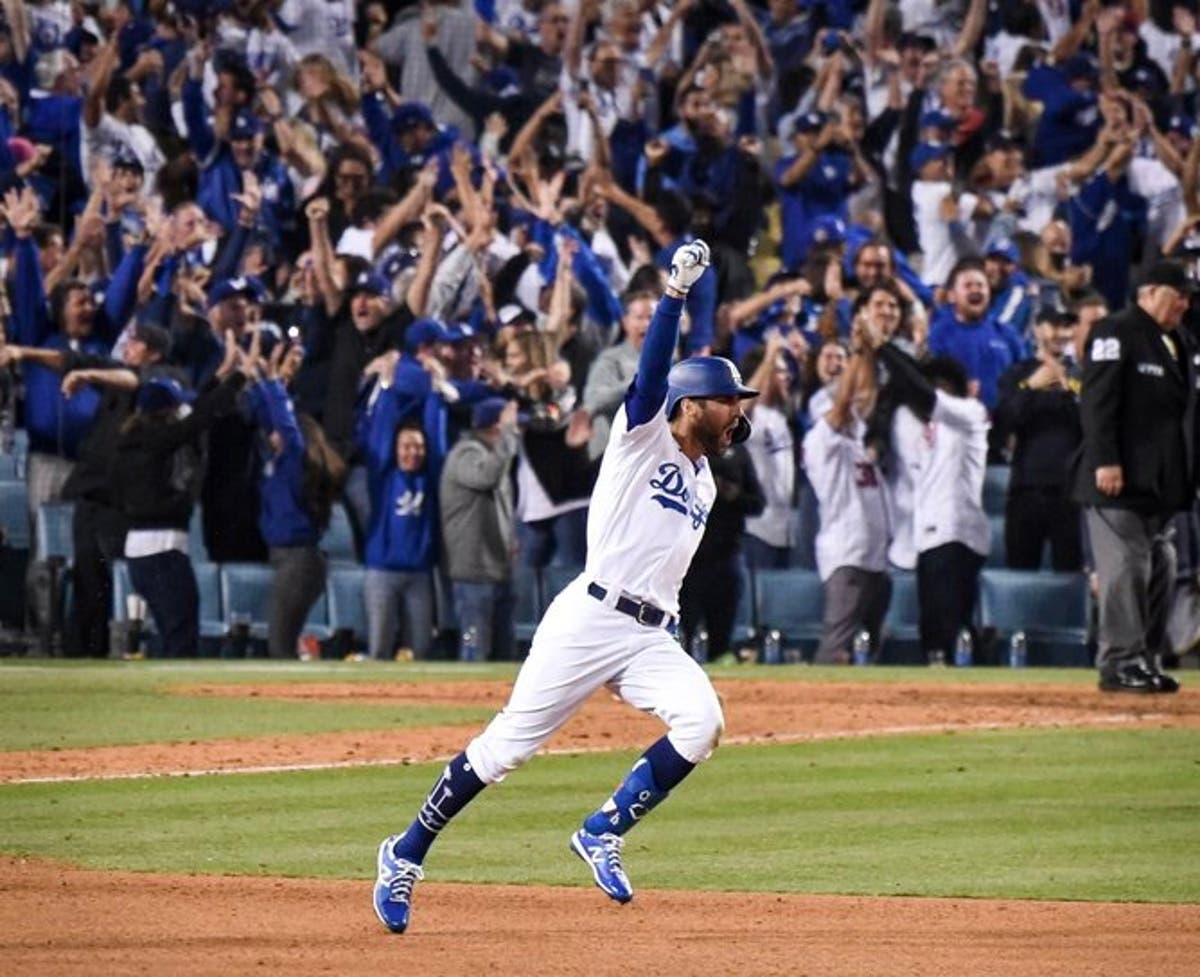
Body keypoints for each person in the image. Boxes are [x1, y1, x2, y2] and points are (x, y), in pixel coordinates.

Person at [373, 240, 756, 933]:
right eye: (729, 398)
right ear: (691, 400)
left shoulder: (703, 476)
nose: (739, 409)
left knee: (703, 720)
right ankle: (403, 853)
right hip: (590, 615)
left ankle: (601, 830)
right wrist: (675, 295)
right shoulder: (642, 434)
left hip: (648, 632)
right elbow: (648, 377)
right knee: (506, 749)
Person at [1070, 260, 1196, 694]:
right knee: (1126, 566)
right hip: (1115, 481)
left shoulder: (1177, 341)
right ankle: (1119, 660)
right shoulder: (1114, 331)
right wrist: (1105, 458)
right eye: (1177, 292)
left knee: (1163, 565)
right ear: (1148, 291)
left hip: (1157, 486)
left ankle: (1145, 658)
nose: (1185, 301)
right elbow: (1097, 399)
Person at [993, 304, 1084, 571]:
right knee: (1020, 572)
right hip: (1026, 490)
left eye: (1066, 326)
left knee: (1070, 578)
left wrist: (1069, 390)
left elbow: (1093, 426)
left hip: (1072, 495)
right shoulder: (1018, 373)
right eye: (1053, 325)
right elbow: (1002, 426)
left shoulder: (1083, 375)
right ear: (1036, 329)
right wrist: (1032, 385)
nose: (1061, 333)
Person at [438, 396, 521, 662]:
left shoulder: (493, 455)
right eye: (509, 427)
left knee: (504, 654)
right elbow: (486, 477)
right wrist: (508, 435)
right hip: (474, 572)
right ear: (495, 427)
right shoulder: (465, 453)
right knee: (476, 652)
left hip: (497, 569)